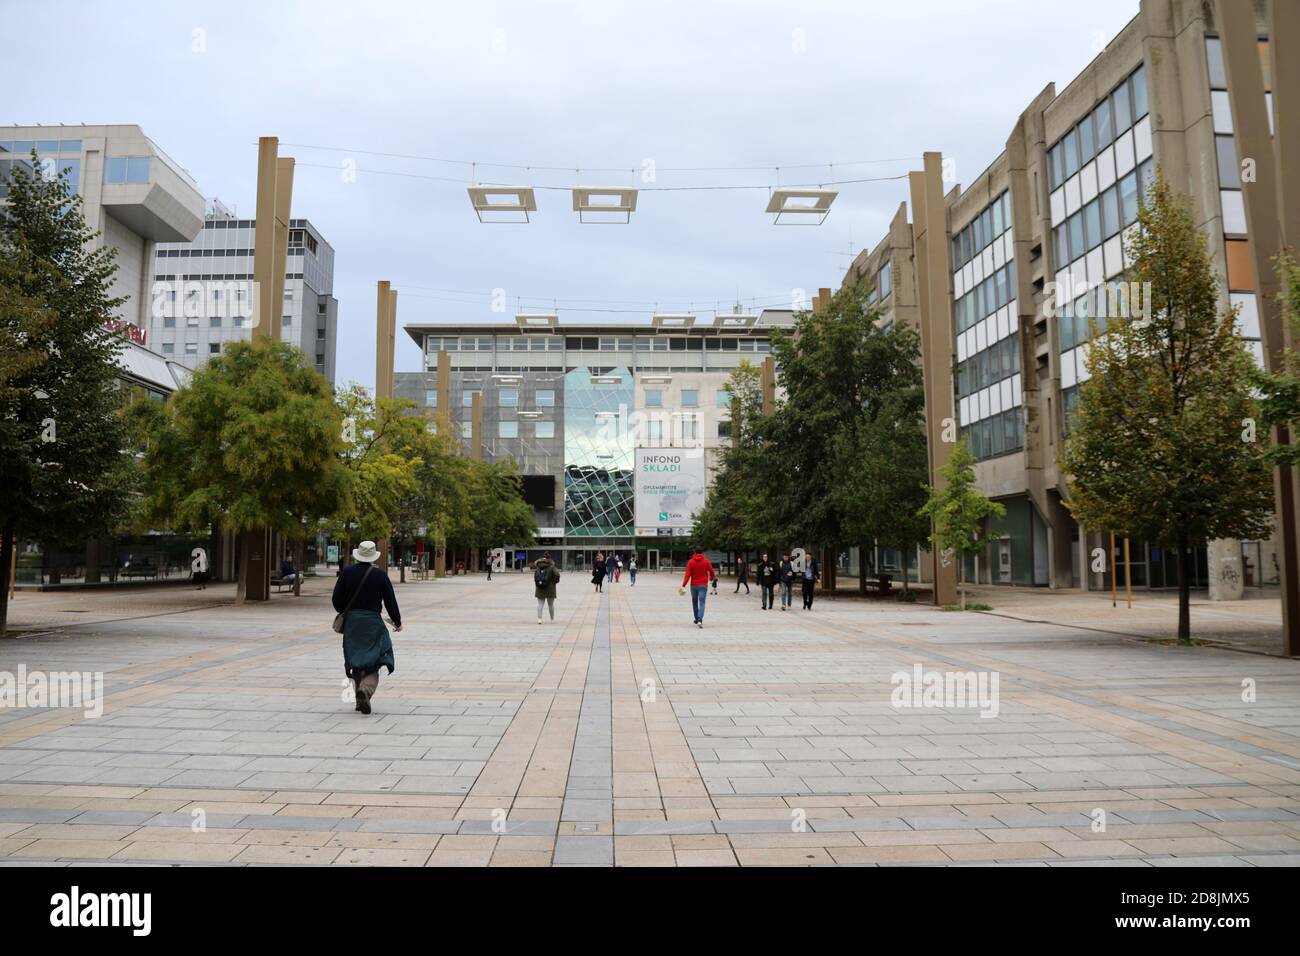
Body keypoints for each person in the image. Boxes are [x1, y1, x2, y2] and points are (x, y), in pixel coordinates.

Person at [332, 540, 402, 715]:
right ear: (373, 556)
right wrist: (397, 621)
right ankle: (366, 690)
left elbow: (336, 599)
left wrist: (345, 611)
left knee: (356, 658)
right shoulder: (380, 575)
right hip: (372, 622)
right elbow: (390, 601)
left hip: (352, 623)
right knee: (376, 658)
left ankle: (358, 697)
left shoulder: (346, 573)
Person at [679, 546, 717, 628]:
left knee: (695, 602)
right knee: (702, 602)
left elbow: (687, 575)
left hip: (693, 585)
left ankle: (696, 619)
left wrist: (683, 585)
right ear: (702, 552)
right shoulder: (706, 561)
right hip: (703, 585)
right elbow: (711, 571)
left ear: (695, 552)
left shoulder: (690, 562)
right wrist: (713, 577)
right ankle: (700, 620)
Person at [534, 551, 560, 624]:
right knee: (551, 604)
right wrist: (555, 582)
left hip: (540, 587)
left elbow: (535, 577)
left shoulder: (538, 567)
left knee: (540, 604)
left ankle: (539, 619)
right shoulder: (552, 566)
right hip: (550, 588)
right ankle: (552, 619)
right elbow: (557, 575)